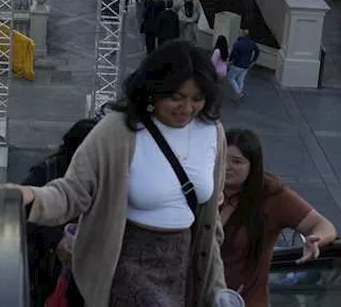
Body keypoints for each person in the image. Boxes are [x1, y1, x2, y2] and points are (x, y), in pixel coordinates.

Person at [14, 40, 231, 307]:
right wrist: (30, 197)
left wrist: (216, 283)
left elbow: (213, 215)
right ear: (153, 90)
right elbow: (73, 192)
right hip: (124, 260)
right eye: (176, 97)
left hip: (182, 264)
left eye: (197, 99)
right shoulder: (117, 130)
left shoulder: (212, 131)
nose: (186, 108)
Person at [219, 129, 337, 306]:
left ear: (253, 166)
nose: (226, 166)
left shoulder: (272, 196)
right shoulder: (205, 188)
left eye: (236, 162)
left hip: (245, 299)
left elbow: (322, 224)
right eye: (222, 159)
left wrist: (316, 240)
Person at [23, 120, 98, 306]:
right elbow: (22, 216)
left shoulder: (106, 175)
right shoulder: (47, 171)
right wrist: (57, 240)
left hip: (90, 270)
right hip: (47, 268)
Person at [226, 30, 259, 99]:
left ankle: (238, 92)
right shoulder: (252, 43)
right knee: (241, 79)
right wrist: (253, 61)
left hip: (237, 64)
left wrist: (229, 61)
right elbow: (257, 51)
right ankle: (239, 92)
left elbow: (233, 54)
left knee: (231, 78)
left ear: (242, 35)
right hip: (246, 65)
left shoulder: (237, 44)